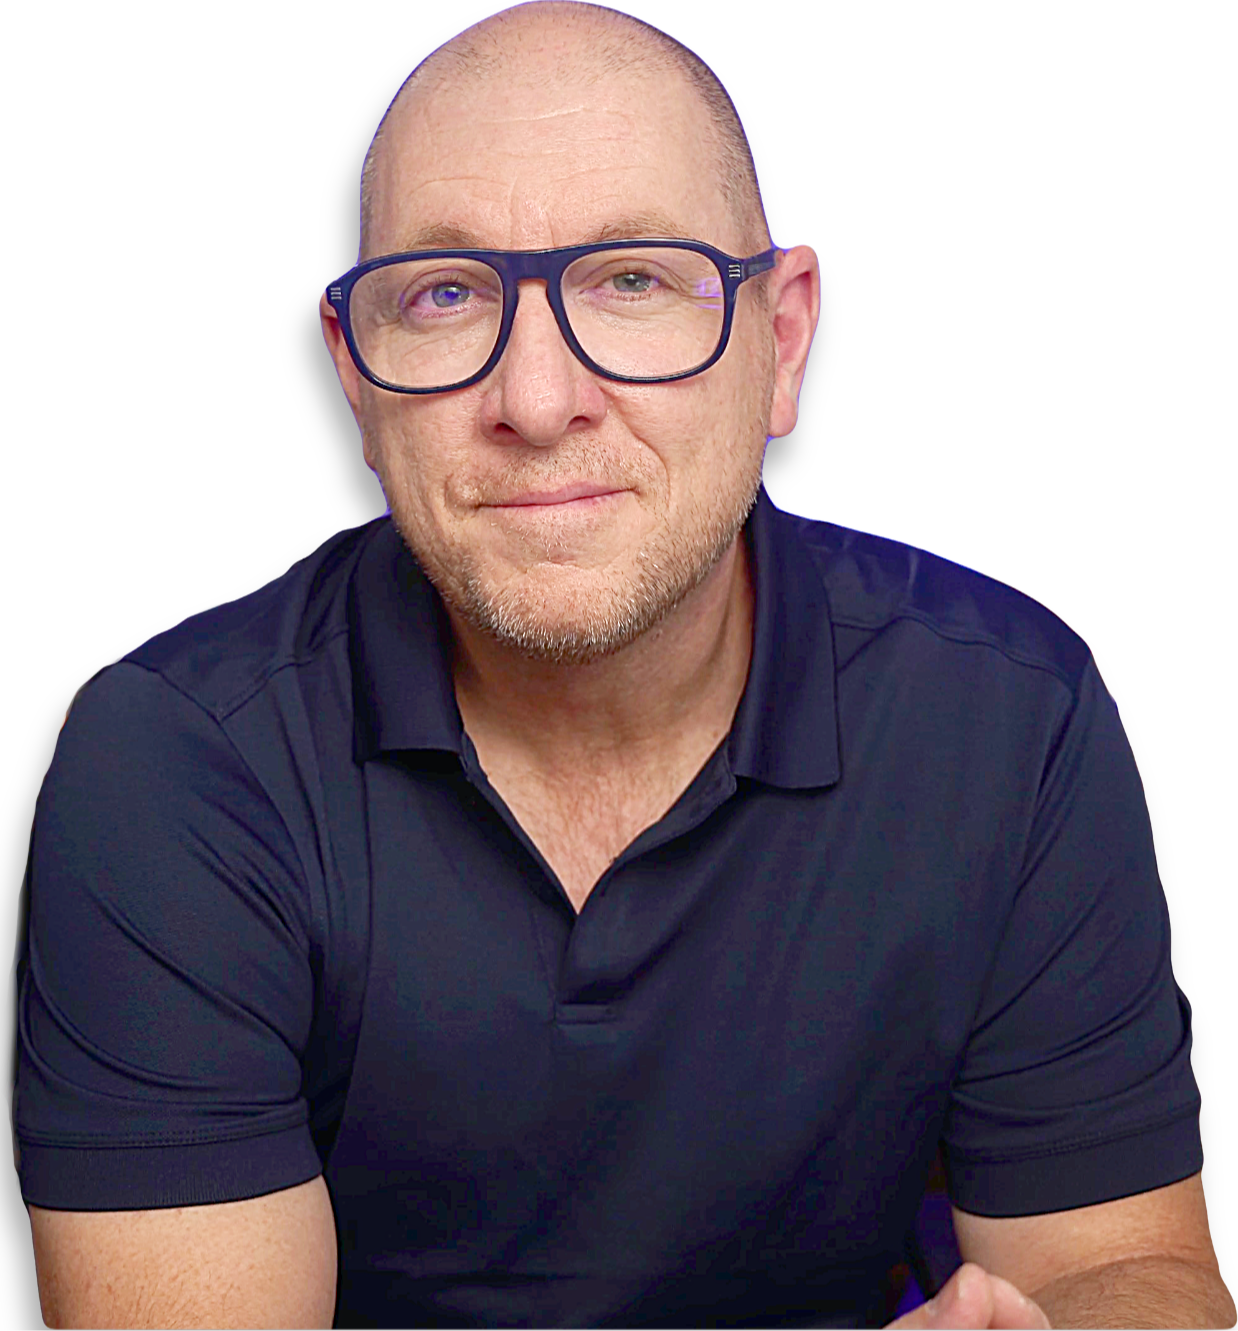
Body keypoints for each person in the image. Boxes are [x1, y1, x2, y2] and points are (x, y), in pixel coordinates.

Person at [12, 2, 1235, 1327]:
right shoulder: (179, 767)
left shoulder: (1004, 718)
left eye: (634, 281)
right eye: (445, 295)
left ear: (781, 343)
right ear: (357, 379)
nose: (538, 402)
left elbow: (1123, 1267)